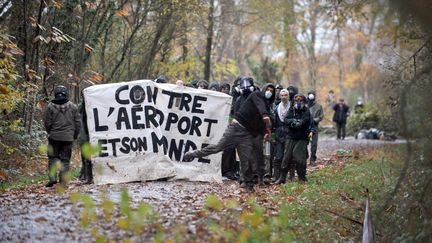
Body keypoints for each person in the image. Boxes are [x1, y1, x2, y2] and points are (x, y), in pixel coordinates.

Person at [183, 77, 275, 192]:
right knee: (218, 147)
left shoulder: (267, 106)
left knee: (246, 161)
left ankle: (248, 185)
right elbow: (261, 109)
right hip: (235, 128)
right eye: (268, 90)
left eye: (272, 91)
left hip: (247, 134)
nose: (269, 92)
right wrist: (265, 115)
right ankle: (193, 154)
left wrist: (265, 132)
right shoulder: (256, 95)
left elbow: (261, 123)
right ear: (263, 89)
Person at [43, 85, 80, 187]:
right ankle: (63, 182)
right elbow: (78, 123)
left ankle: (52, 179)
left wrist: (50, 132)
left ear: (55, 94)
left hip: (54, 137)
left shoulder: (50, 106)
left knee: (52, 158)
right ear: (66, 93)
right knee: (65, 160)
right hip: (68, 138)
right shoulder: (73, 107)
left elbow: (47, 122)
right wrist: (74, 136)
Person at [276, 94, 312, 183]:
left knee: (300, 158)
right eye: (296, 101)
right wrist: (292, 121)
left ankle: (302, 177)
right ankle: (282, 177)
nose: (298, 102)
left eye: (300, 100)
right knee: (286, 157)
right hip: (290, 136)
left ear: (304, 101)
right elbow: (286, 119)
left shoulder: (306, 111)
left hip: (302, 138)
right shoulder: (291, 109)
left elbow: (309, 121)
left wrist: (301, 122)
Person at [272, 89, 290, 182]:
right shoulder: (276, 109)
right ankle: (276, 176)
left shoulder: (292, 108)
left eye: (285, 95)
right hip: (279, 136)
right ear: (279, 96)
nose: (283, 97)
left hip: (289, 136)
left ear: (288, 96)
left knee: (288, 157)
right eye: (282, 95)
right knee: (278, 157)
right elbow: (274, 124)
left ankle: (287, 177)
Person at [307, 90, 324, 166]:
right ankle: (305, 157)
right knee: (303, 143)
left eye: (312, 94)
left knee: (314, 144)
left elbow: (321, 116)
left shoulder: (318, 106)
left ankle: (312, 159)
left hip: (314, 126)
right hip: (305, 127)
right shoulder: (304, 105)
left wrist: (315, 120)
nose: (311, 96)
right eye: (310, 94)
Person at [78, 96, 92, 184]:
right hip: (85, 134)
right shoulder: (81, 107)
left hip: (90, 134)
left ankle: (87, 174)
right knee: (85, 155)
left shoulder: (93, 104)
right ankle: (85, 174)